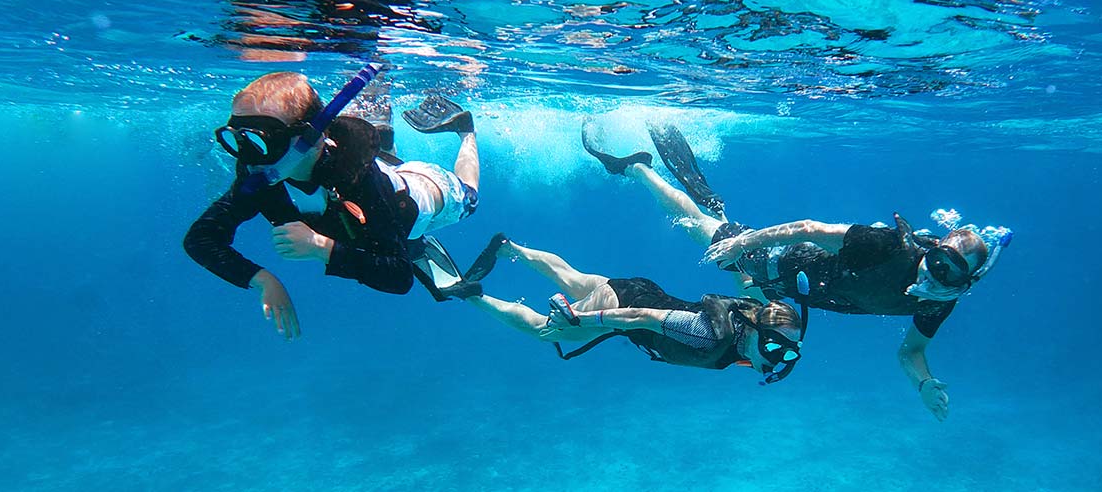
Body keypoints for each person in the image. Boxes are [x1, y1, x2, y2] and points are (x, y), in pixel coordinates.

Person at [581, 121, 1013, 420]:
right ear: (931, 250)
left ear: (965, 284)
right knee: (700, 226)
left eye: (950, 276)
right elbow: (809, 228)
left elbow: (910, 352)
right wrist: (745, 243)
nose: (936, 277)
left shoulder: (939, 306)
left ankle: (709, 210)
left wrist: (924, 385)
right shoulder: (885, 246)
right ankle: (637, 168)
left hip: (788, 294)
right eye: (937, 262)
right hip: (777, 262)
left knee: (733, 263)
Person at [184, 66, 481, 339]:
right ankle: (384, 137)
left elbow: (399, 277)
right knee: (384, 168)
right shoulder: (263, 178)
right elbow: (200, 239)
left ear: (310, 140)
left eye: (261, 142)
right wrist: (261, 279)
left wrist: (322, 248)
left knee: (470, 198)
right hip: (377, 181)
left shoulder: (358, 183)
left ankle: (466, 131)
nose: (247, 156)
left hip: (425, 192)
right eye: (238, 140)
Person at [435, 234, 807, 385]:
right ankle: (469, 293)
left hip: (639, 289)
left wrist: (741, 261)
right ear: (757, 331)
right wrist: (581, 319)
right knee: (545, 330)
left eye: (787, 354)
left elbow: (748, 286)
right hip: (626, 306)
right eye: (775, 348)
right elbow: (641, 319)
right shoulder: (708, 334)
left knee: (572, 277)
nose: (777, 360)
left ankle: (509, 247)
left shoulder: (755, 317)